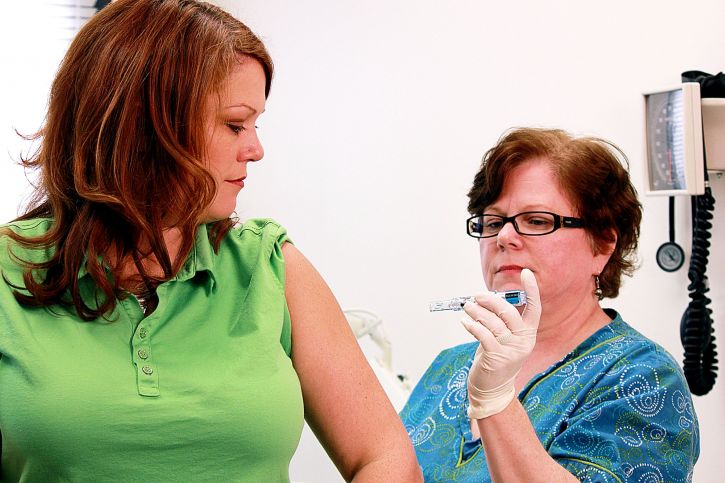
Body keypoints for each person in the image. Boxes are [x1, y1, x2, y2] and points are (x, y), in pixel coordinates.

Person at [0, 1, 421, 481]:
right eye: (235, 124)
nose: (256, 149)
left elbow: (386, 457)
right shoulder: (7, 272)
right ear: (144, 126)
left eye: (256, 125)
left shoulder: (271, 270)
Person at [400, 128, 699, 482]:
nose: (503, 237)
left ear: (603, 245)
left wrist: (496, 401)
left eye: (537, 221)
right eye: (493, 222)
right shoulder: (448, 367)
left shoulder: (643, 379)